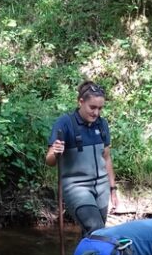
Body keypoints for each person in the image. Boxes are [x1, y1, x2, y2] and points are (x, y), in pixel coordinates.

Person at [46, 81, 119, 234]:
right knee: (96, 229)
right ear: (81, 102)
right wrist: (56, 152)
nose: (96, 113)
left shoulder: (102, 124)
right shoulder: (65, 123)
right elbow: (49, 161)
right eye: (92, 107)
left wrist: (113, 189)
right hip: (76, 188)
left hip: (101, 188)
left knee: (93, 235)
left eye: (100, 108)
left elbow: (106, 158)